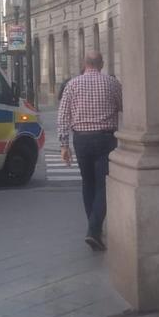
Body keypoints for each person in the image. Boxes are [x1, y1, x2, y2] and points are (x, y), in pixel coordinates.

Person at [58, 51, 122, 251]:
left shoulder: (72, 85)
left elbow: (63, 116)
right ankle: (94, 230)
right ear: (101, 63)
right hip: (105, 138)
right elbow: (124, 106)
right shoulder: (112, 83)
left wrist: (63, 145)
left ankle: (93, 228)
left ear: (84, 64)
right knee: (103, 184)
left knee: (88, 183)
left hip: (81, 139)